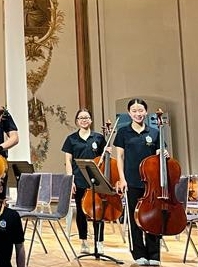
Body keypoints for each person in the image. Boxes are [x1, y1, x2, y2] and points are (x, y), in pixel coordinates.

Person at [114, 98, 162, 266]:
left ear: (146, 112)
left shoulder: (154, 132)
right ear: (129, 113)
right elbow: (120, 157)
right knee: (135, 219)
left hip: (152, 183)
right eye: (134, 111)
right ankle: (138, 254)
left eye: (141, 110)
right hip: (131, 181)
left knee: (153, 218)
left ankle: (154, 254)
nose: (138, 113)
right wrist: (122, 178)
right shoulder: (123, 132)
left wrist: (164, 154)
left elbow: (159, 155)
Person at [61, 108, 107, 255]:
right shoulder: (71, 139)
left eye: (86, 117)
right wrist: (71, 180)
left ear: (91, 120)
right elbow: (68, 161)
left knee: (98, 211)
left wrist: (108, 153)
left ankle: (99, 242)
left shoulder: (99, 138)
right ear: (77, 121)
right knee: (81, 212)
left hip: (96, 180)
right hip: (79, 179)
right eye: (81, 118)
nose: (84, 120)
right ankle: (84, 242)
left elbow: (104, 159)